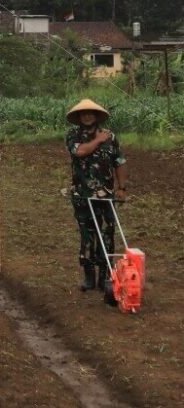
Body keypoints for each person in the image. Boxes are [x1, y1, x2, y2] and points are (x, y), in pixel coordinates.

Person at [65, 99, 127, 295]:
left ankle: (106, 277)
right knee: (88, 235)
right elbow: (80, 151)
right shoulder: (73, 136)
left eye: (91, 113)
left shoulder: (111, 137)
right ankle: (89, 277)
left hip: (106, 195)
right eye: (84, 113)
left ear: (97, 115)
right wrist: (98, 140)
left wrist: (122, 187)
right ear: (79, 117)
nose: (87, 116)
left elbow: (119, 161)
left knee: (108, 234)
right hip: (83, 195)